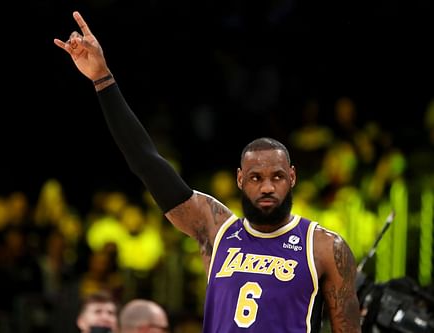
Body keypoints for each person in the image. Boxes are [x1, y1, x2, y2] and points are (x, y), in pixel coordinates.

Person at [54, 11, 362, 333]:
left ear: (293, 178)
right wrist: (103, 79)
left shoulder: (325, 247)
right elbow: (147, 162)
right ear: (240, 180)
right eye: (256, 178)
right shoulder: (217, 231)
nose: (267, 187)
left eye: (277, 177)